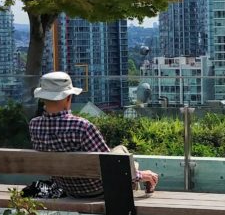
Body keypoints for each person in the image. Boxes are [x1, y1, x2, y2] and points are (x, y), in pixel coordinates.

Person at [29, 71, 159, 197]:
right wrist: (140, 175)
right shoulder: (82, 126)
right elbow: (110, 165)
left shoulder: (35, 125)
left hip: (66, 188)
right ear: (68, 98)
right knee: (121, 150)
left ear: (43, 98)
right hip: (99, 190)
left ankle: (134, 173)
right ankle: (132, 201)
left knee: (125, 161)